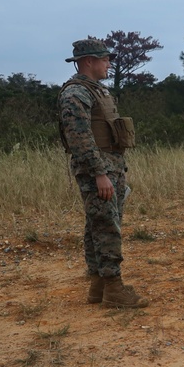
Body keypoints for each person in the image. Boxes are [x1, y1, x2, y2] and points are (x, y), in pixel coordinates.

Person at [58, 38, 148, 308]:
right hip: (99, 170)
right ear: (89, 62)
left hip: (112, 166)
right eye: (104, 59)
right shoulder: (75, 93)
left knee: (99, 223)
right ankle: (113, 289)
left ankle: (99, 285)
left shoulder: (97, 91)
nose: (109, 63)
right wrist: (99, 173)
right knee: (107, 226)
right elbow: (80, 138)